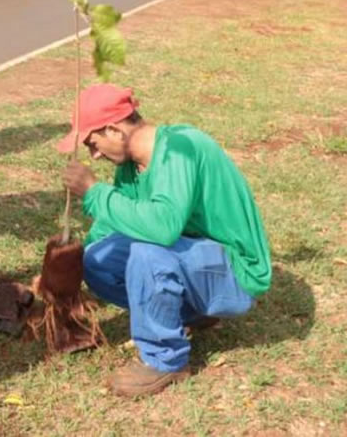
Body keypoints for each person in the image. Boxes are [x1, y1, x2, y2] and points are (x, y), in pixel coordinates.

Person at [59, 84, 272, 397]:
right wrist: (72, 259)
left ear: (115, 130)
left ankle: (165, 361)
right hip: (196, 259)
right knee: (97, 260)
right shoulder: (131, 168)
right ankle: (191, 314)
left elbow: (162, 228)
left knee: (148, 253)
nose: (94, 154)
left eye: (94, 143)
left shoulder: (180, 148)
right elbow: (113, 225)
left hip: (237, 273)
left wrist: (94, 191)